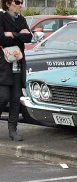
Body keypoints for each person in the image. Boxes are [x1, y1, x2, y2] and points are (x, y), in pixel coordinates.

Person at [0, 0, 30, 141]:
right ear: (7, 3)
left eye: (21, 2)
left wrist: (11, 34)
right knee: (3, 97)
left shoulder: (22, 19)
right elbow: (1, 39)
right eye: (17, 2)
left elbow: (28, 37)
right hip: (4, 65)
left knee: (15, 99)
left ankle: (13, 130)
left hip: (18, 64)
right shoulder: (1, 17)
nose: (20, 4)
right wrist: (19, 34)